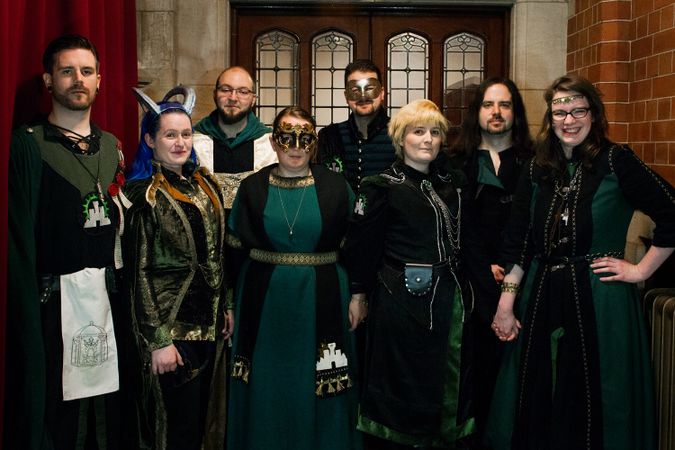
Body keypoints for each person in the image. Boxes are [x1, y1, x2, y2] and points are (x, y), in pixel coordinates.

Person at [487, 75, 675, 450]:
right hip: (540, 293)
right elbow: (519, 243)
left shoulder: (617, 161)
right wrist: (505, 305)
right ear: (550, 116)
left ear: (594, 114)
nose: (569, 120)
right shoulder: (536, 167)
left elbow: (671, 213)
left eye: (578, 110)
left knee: (597, 397)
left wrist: (640, 270)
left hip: (601, 299)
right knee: (540, 393)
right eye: (560, 112)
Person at [7, 34, 132, 449]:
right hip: (53, 308)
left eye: (86, 71)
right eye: (67, 71)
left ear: (99, 80)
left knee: (109, 416)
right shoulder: (29, 145)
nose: (78, 79)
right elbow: (19, 241)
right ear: (48, 80)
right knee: (59, 420)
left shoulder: (112, 146)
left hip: (109, 304)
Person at [226, 106, 365, 450]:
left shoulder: (337, 187)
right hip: (263, 302)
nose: (296, 146)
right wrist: (228, 304)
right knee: (268, 379)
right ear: (274, 142)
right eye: (287, 137)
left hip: (324, 298)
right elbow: (233, 251)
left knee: (321, 378)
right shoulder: (252, 188)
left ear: (314, 143)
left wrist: (358, 295)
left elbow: (357, 247)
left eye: (305, 138)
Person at [344, 99, 476, 449]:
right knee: (402, 385)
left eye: (435, 132)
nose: (428, 140)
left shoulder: (454, 183)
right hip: (399, 302)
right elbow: (362, 248)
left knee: (446, 382)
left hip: (451, 300)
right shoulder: (381, 186)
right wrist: (358, 294)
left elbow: (469, 240)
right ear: (401, 138)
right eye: (418, 132)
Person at [123, 86, 229, 450]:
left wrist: (227, 304)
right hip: (171, 329)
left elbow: (218, 253)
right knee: (173, 430)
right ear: (150, 140)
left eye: (186, 134)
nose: (180, 143)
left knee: (204, 425)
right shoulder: (144, 195)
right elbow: (138, 273)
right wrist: (158, 341)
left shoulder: (205, 184)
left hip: (210, 328)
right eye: (170, 135)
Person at [451, 77, 532, 442]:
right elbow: (456, 225)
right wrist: (483, 268)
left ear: (516, 112)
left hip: (523, 280)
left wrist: (511, 269)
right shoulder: (456, 162)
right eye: (488, 104)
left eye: (504, 105)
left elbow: (532, 225)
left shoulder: (536, 162)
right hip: (470, 286)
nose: (496, 112)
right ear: (477, 112)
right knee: (475, 376)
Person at [193, 66, 277, 209]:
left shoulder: (271, 145)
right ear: (215, 94)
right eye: (226, 90)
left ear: (253, 99)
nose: (233, 98)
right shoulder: (193, 142)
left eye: (243, 92)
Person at [317, 58, 396, 192]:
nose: (363, 96)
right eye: (355, 90)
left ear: (382, 93)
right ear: (346, 96)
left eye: (370, 88)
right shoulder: (329, 136)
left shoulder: (401, 133)